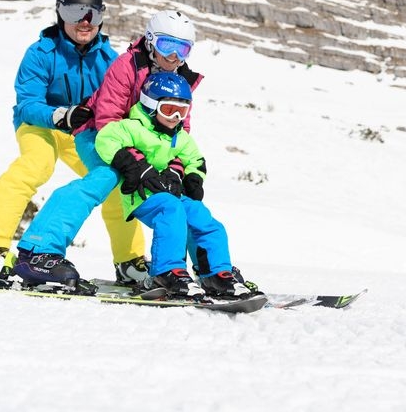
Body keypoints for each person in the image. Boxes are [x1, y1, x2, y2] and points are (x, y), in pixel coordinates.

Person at [0, 0, 145, 280]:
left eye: (93, 16)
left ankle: (130, 261)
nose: (85, 22)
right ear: (60, 15)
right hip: (39, 125)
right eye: (75, 12)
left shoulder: (109, 60)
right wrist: (59, 115)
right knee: (35, 166)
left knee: (114, 179)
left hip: (81, 131)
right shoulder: (41, 53)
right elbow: (28, 103)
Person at [17, 73, 252, 299]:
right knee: (171, 209)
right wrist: (130, 164)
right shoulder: (132, 127)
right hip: (140, 194)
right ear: (151, 105)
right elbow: (106, 138)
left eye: (182, 111)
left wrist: (193, 178)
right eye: (169, 110)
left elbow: (195, 159)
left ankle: (216, 273)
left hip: (168, 191)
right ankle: (166, 272)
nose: (176, 118)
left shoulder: (179, 136)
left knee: (203, 217)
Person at [12, 9, 203, 288]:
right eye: (167, 46)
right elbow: (107, 119)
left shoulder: (180, 81)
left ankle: (204, 268)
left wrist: (176, 169)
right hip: (97, 133)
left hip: (141, 142)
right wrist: (134, 162)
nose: (174, 57)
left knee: (179, 193)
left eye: (182, 49)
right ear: (150, 41)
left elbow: (179, 131)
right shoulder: (126, 65)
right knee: (106, 177)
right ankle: (39, 251)